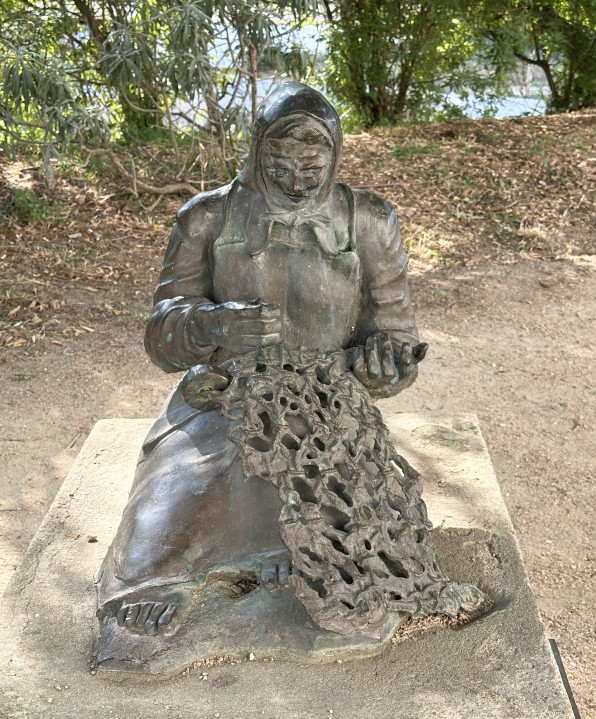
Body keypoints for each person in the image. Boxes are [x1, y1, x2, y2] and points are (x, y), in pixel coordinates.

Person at [95, 81, 481, 642]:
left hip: (324, 402)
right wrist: (212, 324)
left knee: (340, 512)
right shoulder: (207, 218)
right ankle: (208, 571)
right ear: (256, 154)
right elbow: (161, 338)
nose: (297, 182)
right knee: (166, 521)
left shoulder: (369, 221)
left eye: (312, 166)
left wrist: (383, 366)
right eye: (279, 164)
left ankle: (274, 564)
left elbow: (396, 339)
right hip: (222, 399)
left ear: (336, 157)